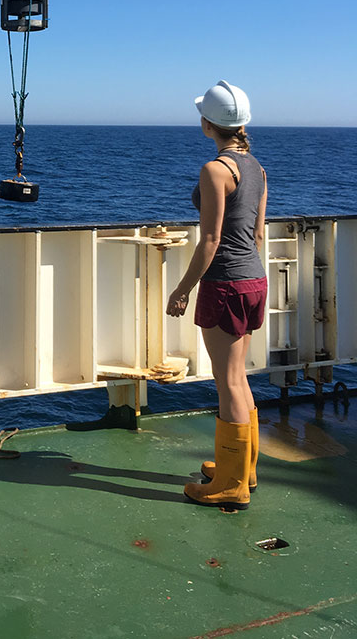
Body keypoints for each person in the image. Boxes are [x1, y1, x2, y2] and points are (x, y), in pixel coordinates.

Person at [166, 80, 267, 510]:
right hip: (253, 281)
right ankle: (243, 468)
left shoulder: (215, 170)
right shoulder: (257, 169)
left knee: (226, 380)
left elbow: (209, 240)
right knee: (238, 376)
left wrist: (183, 289)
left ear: (208, 124)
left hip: (224, 284)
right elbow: (258, 234)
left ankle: (230, 484)